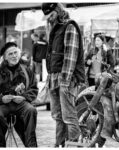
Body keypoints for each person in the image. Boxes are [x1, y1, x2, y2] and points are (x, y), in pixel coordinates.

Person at [41, 3, 86, 147]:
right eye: (47, 17)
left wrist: (65, 81)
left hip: (66, 78)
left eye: (51, 15)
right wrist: (50, 78)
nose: (49, 19)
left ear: (57, 10)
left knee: (69, 117)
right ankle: (59, 145)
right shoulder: (55, 28)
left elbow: (70, 56)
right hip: (55, 77)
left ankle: (73, 146)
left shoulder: (69, 26)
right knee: (58, 117)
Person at [0, 42, 38, 147]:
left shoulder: (27, 70)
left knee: (31, 110)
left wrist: (24, 97)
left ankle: (31, 145)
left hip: (20, 104)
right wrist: (1, 98)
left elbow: (34, 88)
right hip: (1, 105)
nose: (14, 56)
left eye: (16, 53)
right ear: (5, 57)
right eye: (10, 54)